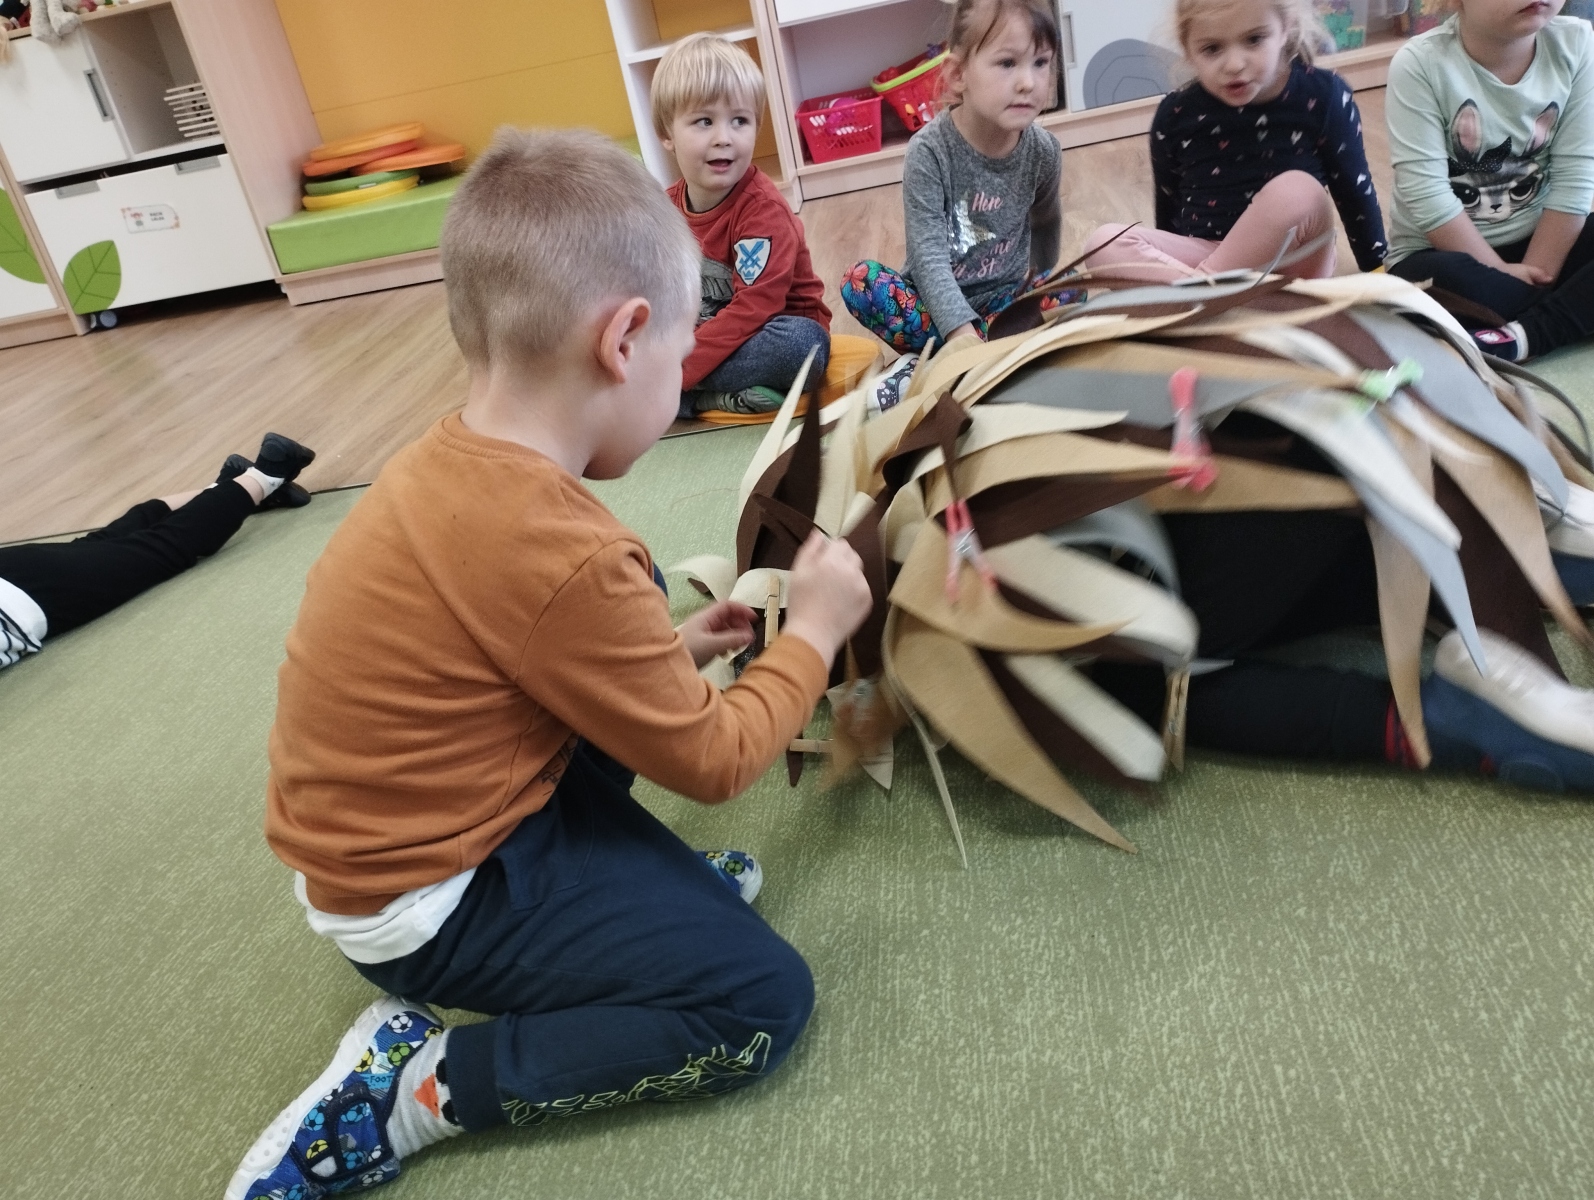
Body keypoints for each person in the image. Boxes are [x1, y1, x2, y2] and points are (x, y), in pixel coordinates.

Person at [226, 129, 873, 1200]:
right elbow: (715, 764)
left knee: (633, 637)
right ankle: (413, 1090)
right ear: (625, 340)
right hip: (425, 904)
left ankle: (636, 907)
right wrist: (813, 630)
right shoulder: (564, 554)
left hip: (414, 831)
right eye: (681, 352)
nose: (681, 376)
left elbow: (503, 675)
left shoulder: (449, 463)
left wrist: (668, 652)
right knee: (761, 1002)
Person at [1083, 0, 1387, 281]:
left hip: (1293, 261)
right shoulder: (1174, 115)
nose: (1234, 65)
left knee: (1299, 192)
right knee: (1102, 245)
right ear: (1187, 48)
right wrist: (1168, 265)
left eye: (1254, 39)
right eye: (1212, 49)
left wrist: (1377, 271)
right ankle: (1222, 301)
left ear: (1286, 27)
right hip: (1210, 256)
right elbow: (1169, 210)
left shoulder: (1324, 95)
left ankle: (1202, 300)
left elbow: (1354, 192)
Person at [840, 0, 1064, 367]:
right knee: (860, 281)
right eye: (1008, 63)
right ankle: (969, 349)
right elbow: (927, 256)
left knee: (1071, 287)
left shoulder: (1044, 151)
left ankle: (959, 353)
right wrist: (960, 332)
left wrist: (1040, 285)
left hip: (1002, 301)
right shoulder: (929, 151)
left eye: (1040, 62)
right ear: (958, 74)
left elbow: (1046, 221)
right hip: (931, 306)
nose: (1028, 82)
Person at [1385, 0, 1594, 362]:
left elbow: (1576, 175)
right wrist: (1502, 273)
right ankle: (1564, 312)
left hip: (1544, 245)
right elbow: (1428, 198)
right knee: (1420, 290)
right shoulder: (1419, 63)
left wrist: (1539, 272)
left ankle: (1522, 335)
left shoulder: (1577, 41)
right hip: (1444, 256)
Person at [0, 433, 314, 671]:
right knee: (103, 545)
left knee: (162, 549)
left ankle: (268, 472)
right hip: (15, 576)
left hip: (25, 600)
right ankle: (230, 489)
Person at [655, 32, 832, 417]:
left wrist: (678, 370)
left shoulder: (762, 210)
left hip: (771, 329)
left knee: (802, 348)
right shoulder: (662, 211)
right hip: (708, 336)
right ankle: (704, 398)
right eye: (704, 121)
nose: (724, 138)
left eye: (740, 121)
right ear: (667, 133)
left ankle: (680, 395)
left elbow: (755, 308)